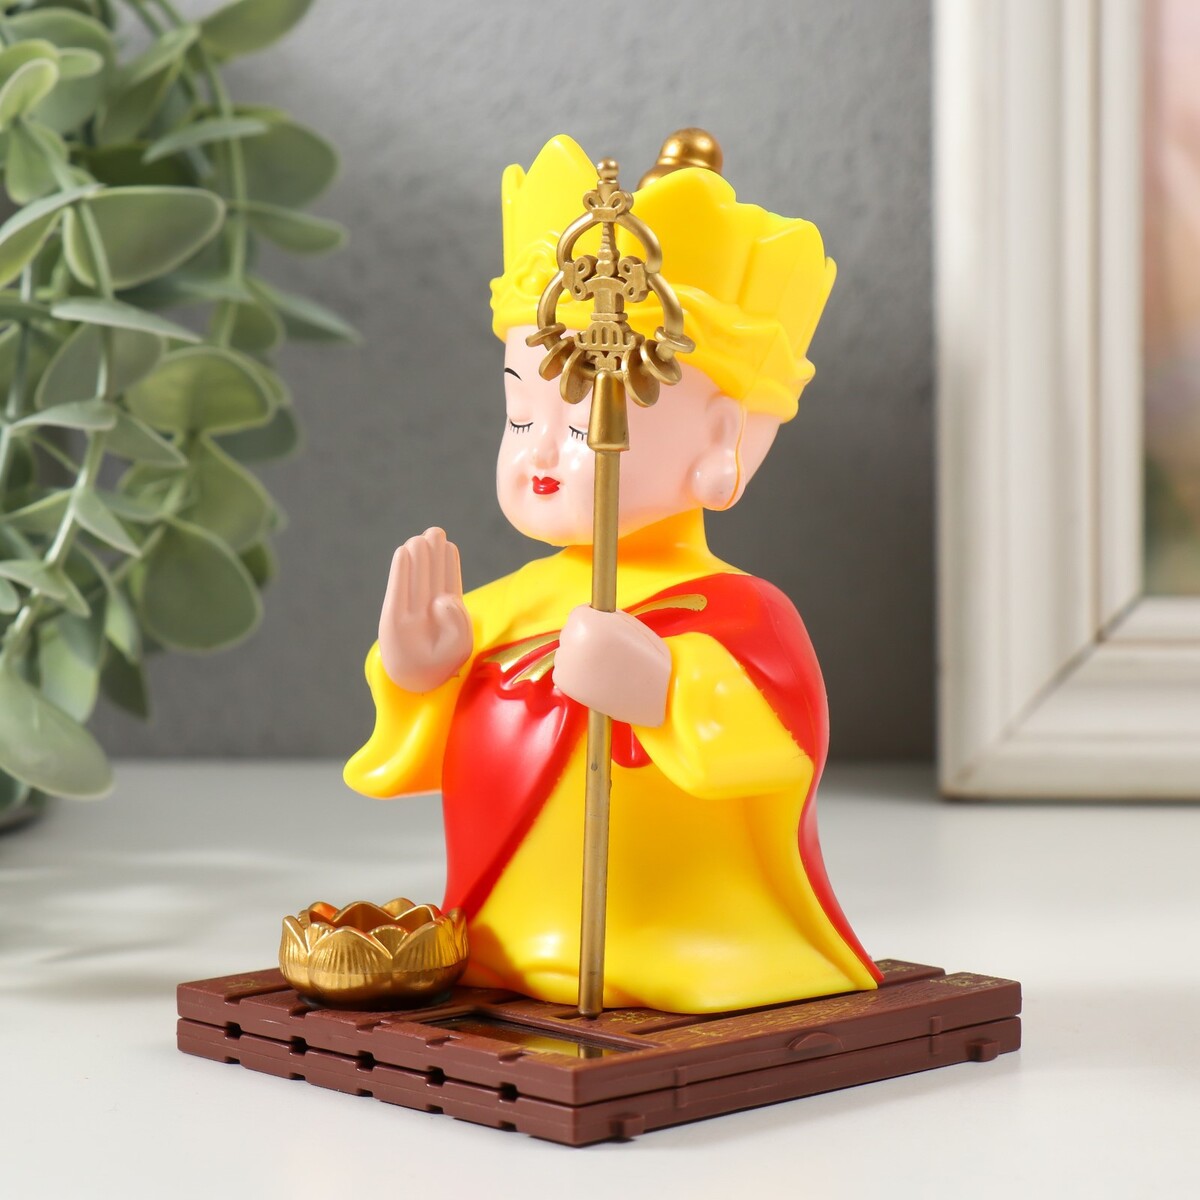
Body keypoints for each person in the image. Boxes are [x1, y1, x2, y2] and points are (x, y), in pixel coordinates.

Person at [344, 133, 881, 1013]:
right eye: (521, 416)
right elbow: (434, 755)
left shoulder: (736, 612)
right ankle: (519, 935)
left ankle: (670, 943)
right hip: (500, 937)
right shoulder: (518, 601)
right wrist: (421, 673)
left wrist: (665, 688)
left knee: (684, 946)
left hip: (688, 937)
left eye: (580, 422)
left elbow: (783, 751)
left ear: (720, 439)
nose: (539, 452)